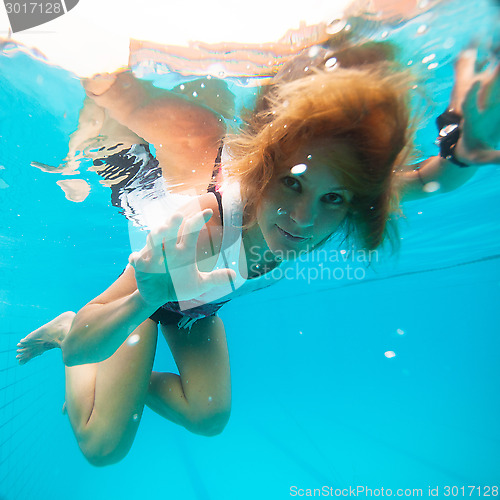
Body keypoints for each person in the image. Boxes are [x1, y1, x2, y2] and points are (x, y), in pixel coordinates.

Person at [16, 43, 499, 467]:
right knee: (102, 448)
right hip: (144, 301)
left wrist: (464, 151)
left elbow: (426, 181)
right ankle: (64, 326)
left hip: (200, 306)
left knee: (208, 418)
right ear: (266, 172)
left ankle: (123, 384)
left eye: (333, 198)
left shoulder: (335, 194)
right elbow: (85, 347)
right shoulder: (204, 224)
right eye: (292, 183)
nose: (304, 218)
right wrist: (144, 299)